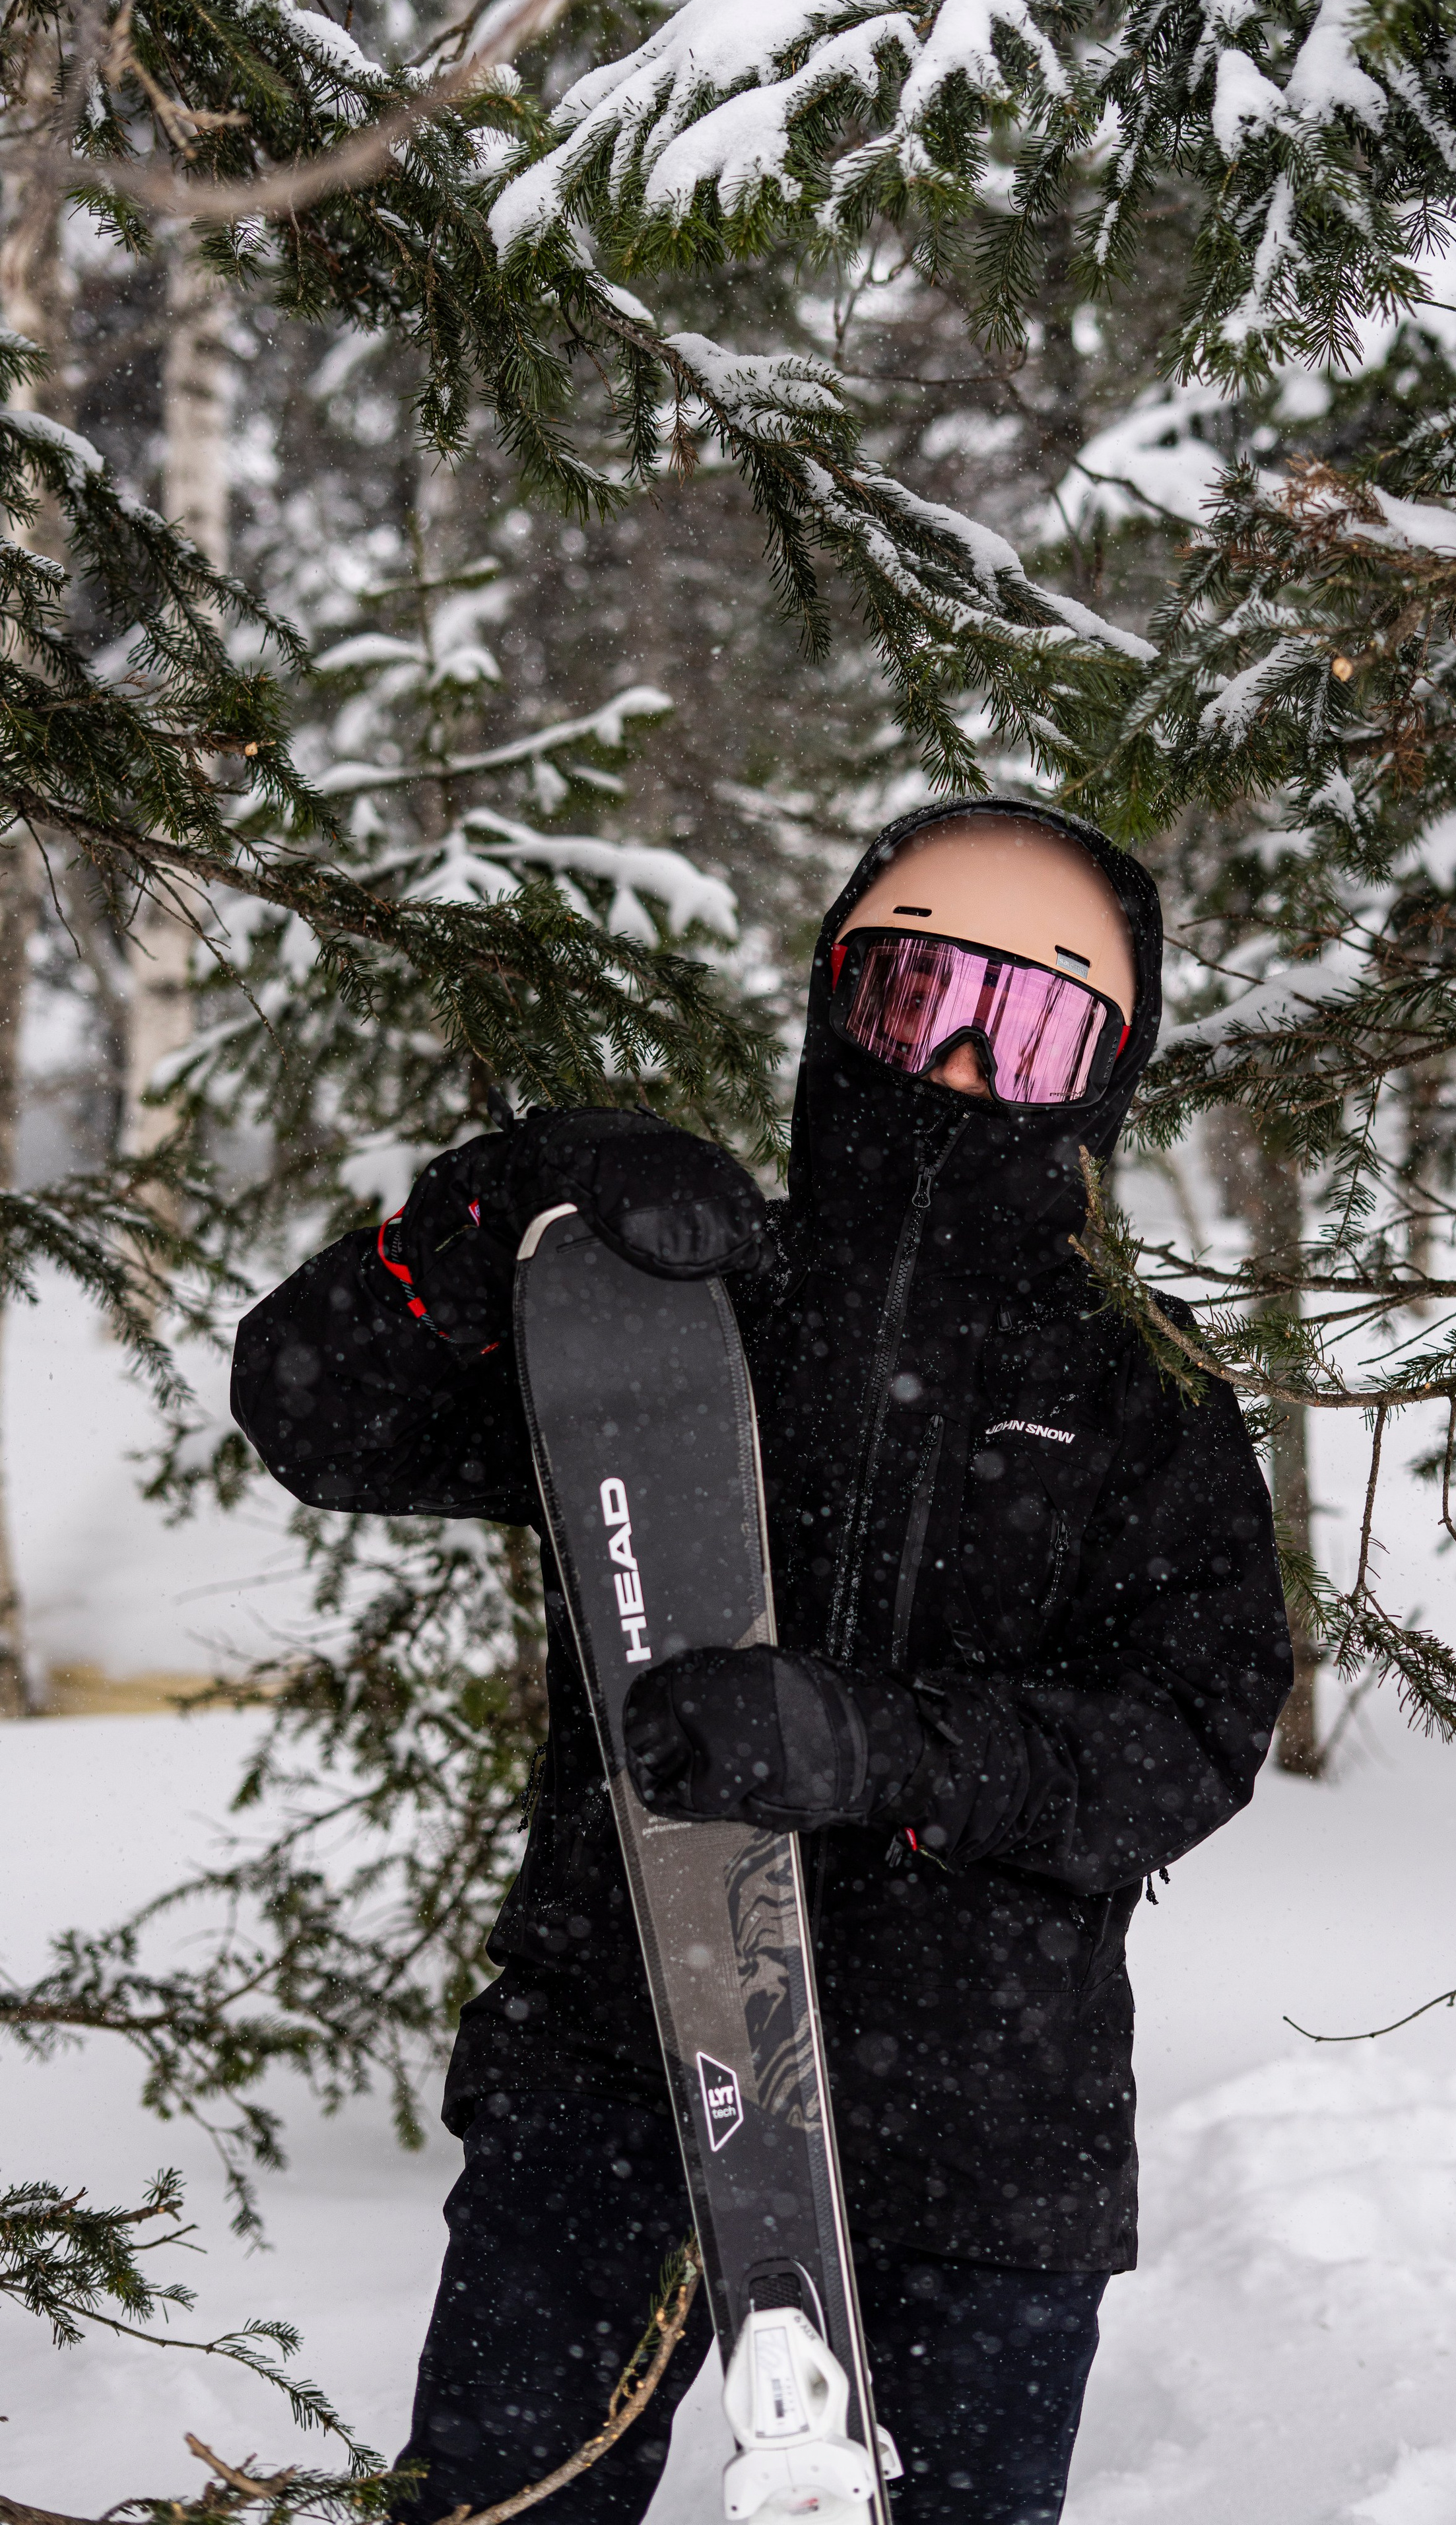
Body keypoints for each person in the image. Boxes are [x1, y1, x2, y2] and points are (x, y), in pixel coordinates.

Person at [232, 799, 1292, 2525]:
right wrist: (489, 1213)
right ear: (830, 997)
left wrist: (884, 1749)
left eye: (1025, 1024)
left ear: (1103, 1075)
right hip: (614, 2089)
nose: (953, 1062)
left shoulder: (1139, 1398)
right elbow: (313, 1411)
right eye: (910, 993)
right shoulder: (677, 1302)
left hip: (977, 2154)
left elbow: (1187, 1741)